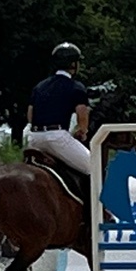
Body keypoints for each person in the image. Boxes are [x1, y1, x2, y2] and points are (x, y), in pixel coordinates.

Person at [26, 42, 91, 175]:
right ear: (74, 64)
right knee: (94, 166)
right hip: (57, 137)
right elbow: (82, 114)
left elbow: (30, 115)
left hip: (34, 139)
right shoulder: (76, 87)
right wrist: (82, 131)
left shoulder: (39, 86)